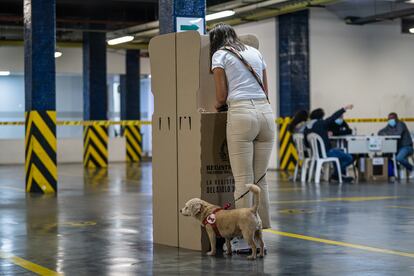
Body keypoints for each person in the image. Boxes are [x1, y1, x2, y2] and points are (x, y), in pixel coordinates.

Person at [210, 23, 274, 251]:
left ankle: (246, 238)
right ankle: (259, 235)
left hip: (241, 114)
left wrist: (214, 106)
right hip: (266, 115)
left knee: (244, 180)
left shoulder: (220, 54)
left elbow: (221, 96)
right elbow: (265, 91)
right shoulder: (255, 52)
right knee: (260, 180)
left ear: (215, 41)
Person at [304, 106, 354, 182]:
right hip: (326, 152)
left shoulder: (307, 126)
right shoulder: (321, 123)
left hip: (315, 154)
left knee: (340, 152)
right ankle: (336, 175)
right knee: (349, 158)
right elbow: (333, 117)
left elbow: (306, 143)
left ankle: (338, 175)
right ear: (321, 116)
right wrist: (344, 109)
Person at [378, 112, 414, 178]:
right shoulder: (389, 126)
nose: (390, 120)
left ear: (396, 118)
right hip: (397, 148)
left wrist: (387, 134)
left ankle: (412, 169)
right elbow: (380, 132)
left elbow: (397, 134)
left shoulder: (401, 124)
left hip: (406, 147)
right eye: (389, 119)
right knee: (386, 155)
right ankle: (393, 173)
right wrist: (387, 133)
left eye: (392, 118)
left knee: (399, 158)